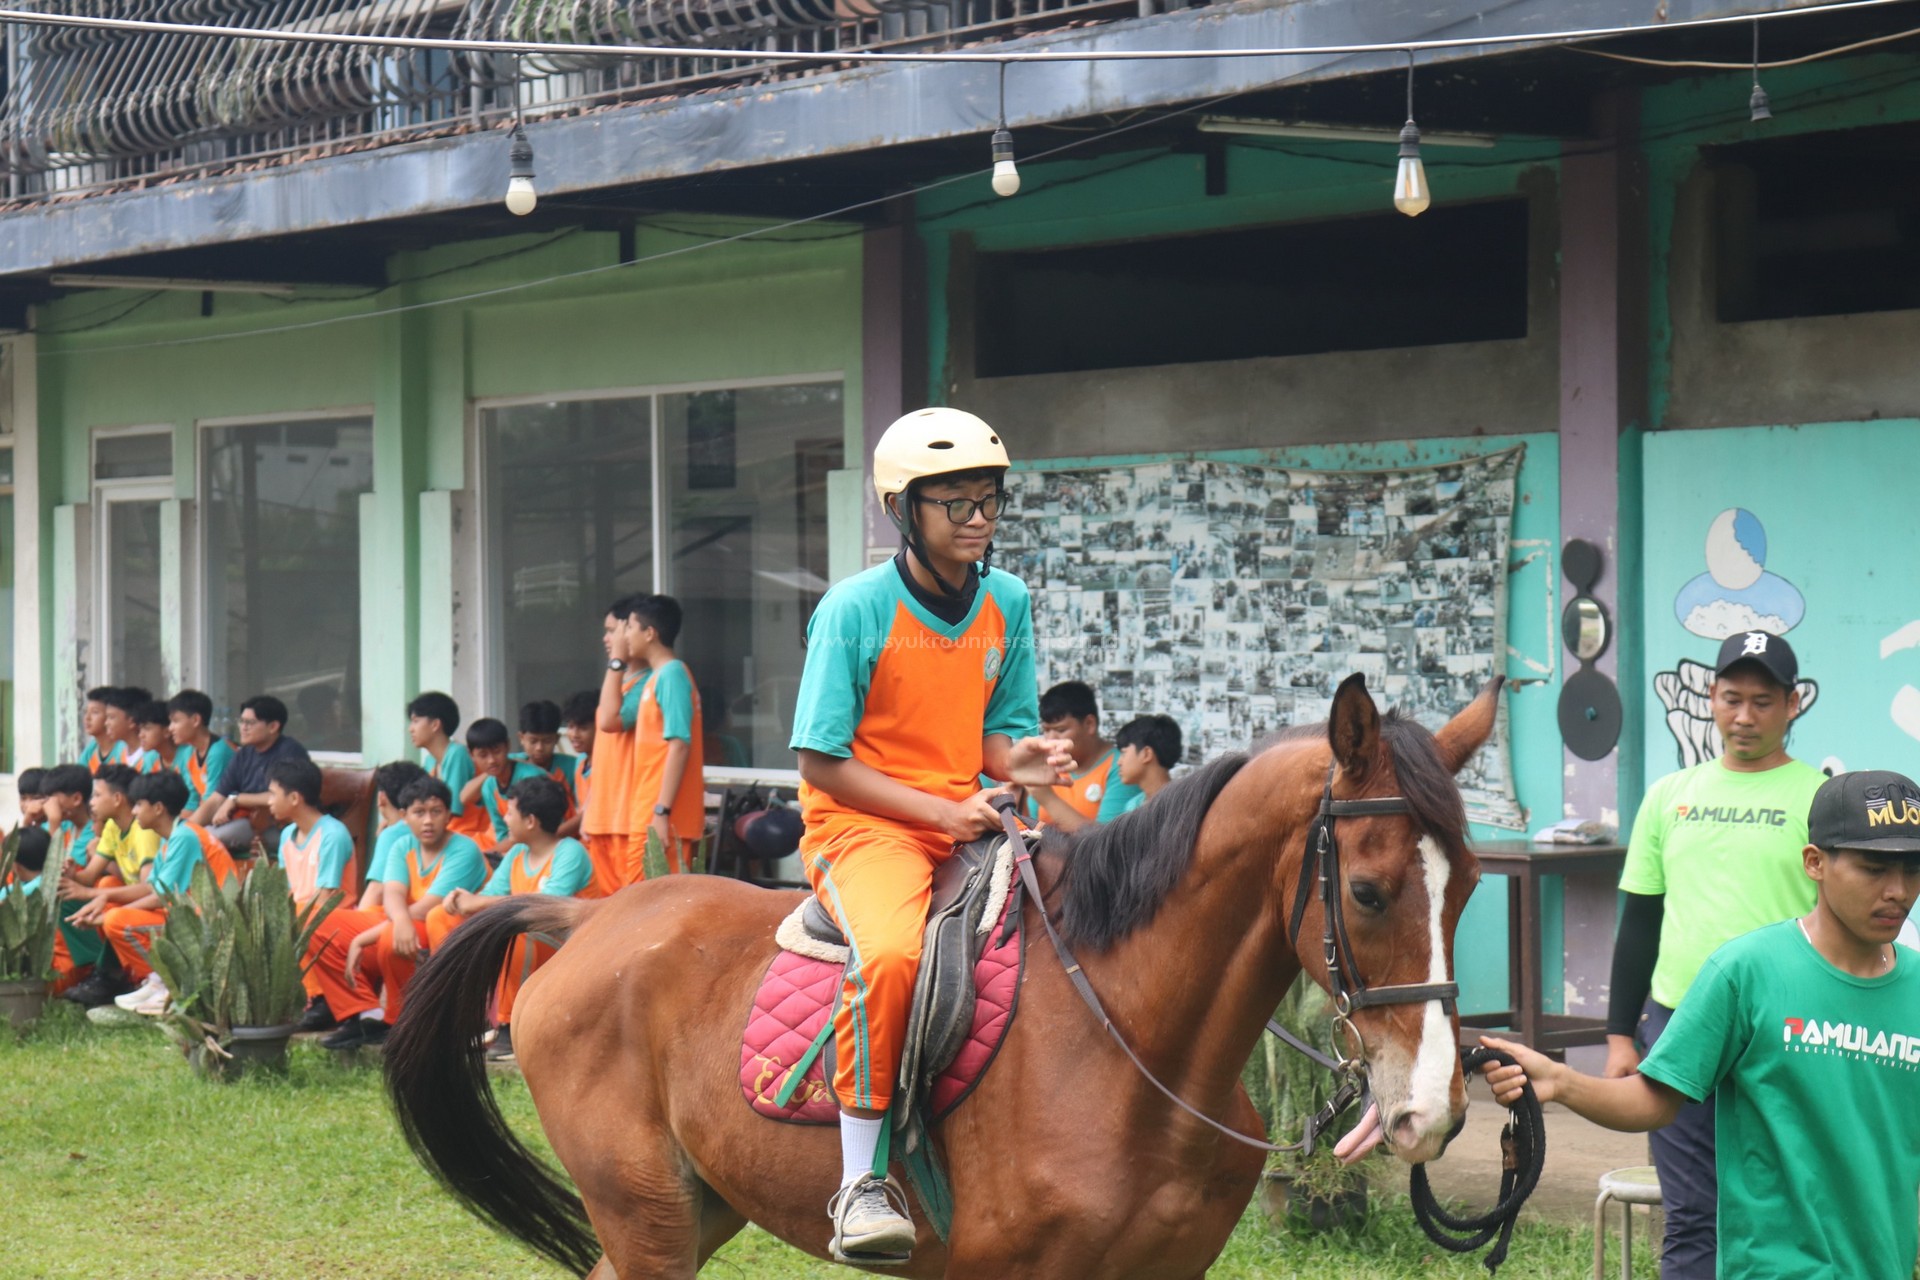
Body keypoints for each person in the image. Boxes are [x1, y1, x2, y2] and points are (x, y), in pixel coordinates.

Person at [789, 407, 1067, 1262]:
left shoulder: (1006, 600)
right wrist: (942, 811)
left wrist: (1020, 762)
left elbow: (996, 734)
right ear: (903, 510)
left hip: (972, 815)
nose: (977, 518)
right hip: (864, 828)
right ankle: (859, 1186)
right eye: (955, 502)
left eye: (988, 500)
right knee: (893, 957)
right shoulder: (853, 610)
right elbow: (820, 761)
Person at [1483, 767, 1920, 1280]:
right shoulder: (1746, 973)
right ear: (1815, 863)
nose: (1898, 891)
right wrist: (1562, 1082)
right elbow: (1656, 1099)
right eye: (1874, 870)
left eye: (1913, 870)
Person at [1604, 629, 1824, 1279]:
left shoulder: (1822, 799)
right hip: (1679, 1025)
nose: (1745, 716)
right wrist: (1620, 1034)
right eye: (1732, 698)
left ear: (1793, 705)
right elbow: (1640, 922)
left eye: (1763, 701)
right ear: (1710, 698)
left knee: (1787, 1205)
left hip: (1786, 1028)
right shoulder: (1669, 795)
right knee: (1693, 1211)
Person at [307, 777, 486, 1050]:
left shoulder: (464, 849)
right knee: (315, 921)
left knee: (392, 936)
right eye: (419, 812)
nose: (428, 821)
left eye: (436, 812)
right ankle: (366, 1013)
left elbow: (431, 907)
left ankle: (403, 1019)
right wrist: (400, 920)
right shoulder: (402, 845)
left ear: (449, 815)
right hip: (401, 922)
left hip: (445, 931)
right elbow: (392, 895)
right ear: (404, 817)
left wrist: (365, 937)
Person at [425, 776, 593, 1062]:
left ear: (530, 821)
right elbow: (491, 896)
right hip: (527, 946)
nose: (504, 818)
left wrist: (478, 901)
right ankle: (462, 1017)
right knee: (439, 917)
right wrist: (462, 901)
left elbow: (546, 907)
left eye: (510, 812)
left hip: (571, 951)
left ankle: (508, 1026)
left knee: (519, 926)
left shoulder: (570, 852)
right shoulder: (517, 853)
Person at [75, 772, 235, 1017]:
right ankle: (155, 981)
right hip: (187, 915)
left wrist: (109, 914)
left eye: (139, 804)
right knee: (113, 911)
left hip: (209, 922)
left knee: (117, 920)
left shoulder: (184, 837)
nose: (135, 811)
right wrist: (104, 899)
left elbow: (162, 896)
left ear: (158, 808)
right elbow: (152, 887)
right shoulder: (172, 837)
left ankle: (167, 984)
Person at [297, 759, 426, 1033]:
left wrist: (355, 938)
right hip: (415, 926)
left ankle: (350, 1006)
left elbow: (375, 893)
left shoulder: (396, 834)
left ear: (382, 799)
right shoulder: (422, 834)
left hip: (393, 927)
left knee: (311, 920)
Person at [623, 594, 705, 880]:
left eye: (630, 627)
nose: (625, 635)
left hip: (663, 819)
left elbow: (680, 745)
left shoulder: (672, 675)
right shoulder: (659, 676)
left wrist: (662, 812)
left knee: (646, 913)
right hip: (651, 813)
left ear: (649, 633)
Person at [582, 601, 643, 899]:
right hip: (602, 819)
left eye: (612, 631)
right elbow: (601, 754)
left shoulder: (648, 683)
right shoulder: (617, 684)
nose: (607, 639)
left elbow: (609, 721)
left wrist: (617, 661)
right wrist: (588, 809)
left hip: (627, 819)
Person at [204, 695, 311, 859]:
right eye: (241, 721)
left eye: (250, 723)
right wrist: (187, 830)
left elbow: (282, 796)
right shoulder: (245, 753)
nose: (243, 728)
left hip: (280, 826)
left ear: (273, 726)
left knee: (210, 838)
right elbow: (217, 797)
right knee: (197, 836)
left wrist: (236, 799)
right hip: (250, 822)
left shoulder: (290, 752)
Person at [1028, 681, 1142, 832]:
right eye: (1046, 731)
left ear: (1089, 724)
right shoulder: (1048, 764)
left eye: (1060, 730)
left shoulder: (1121, 766)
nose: (1051, 739)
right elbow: (1030, 829)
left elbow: (1105, 842)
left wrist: (1046, 797)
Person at [409, 691, 492, 848]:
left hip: (469, 836)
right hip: (445, 833)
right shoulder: (431, 761)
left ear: (435, 725)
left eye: (415, 721)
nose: (410, 729)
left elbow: (452, 810)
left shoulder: (457, 754)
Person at [62, 764, 160, 894]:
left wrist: (91, 895)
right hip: (132, 901)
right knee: (106, 884)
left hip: (151, 906)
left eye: (97, 795)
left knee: (107, 906)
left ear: (117, 799)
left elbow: (147, 890)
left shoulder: (144, 831)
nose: (91, 802)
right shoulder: (112, 826)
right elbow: (89, 877)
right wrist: (72, 875)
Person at [460, 717, 544, 854]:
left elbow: (540, 830)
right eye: (483, 755)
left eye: (496, 751)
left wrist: (490, 854)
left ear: (508, 746)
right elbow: (502, 834)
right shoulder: (488, 786)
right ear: (471, 755)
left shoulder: (530, 778)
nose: (491, 760)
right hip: (511, 849)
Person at [514, 699, 581, 837]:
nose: (539, 748)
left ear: (556, 739)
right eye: (533, 741)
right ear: (521, 738)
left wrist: (546, 839)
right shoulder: (511, 764)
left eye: (547, 741)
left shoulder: (574, 767)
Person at [172, 690, 235, 821]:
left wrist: (184, 829)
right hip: (208, 815)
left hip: (231, 816)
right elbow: (192, 798)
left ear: (195, 720)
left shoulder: (218, 752)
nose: (171, 728)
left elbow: (213, 802)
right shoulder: (188, 752)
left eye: (176, 721)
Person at [1113, 714, 1182, 815]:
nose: (1119, 762)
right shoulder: (1132, 806)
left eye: (1124, 753)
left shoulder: (1182, 804)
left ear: (1146, 754)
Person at [560, 690, 597, 815]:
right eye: (570, 727)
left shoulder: (607, 763)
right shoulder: (580, 761)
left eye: (583, 728)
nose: (574, 735)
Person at [81, 687, 123, 773]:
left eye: (95, 712)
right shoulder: (92, 749)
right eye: (85, 712)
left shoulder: (123, 748)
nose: (87, 718)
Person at [129, 700, 173, 774]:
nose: (141, 735)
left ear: (167, 732)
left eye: (147, 728)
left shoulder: (188, 756)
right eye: (140, 729)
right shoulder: (150, 759)